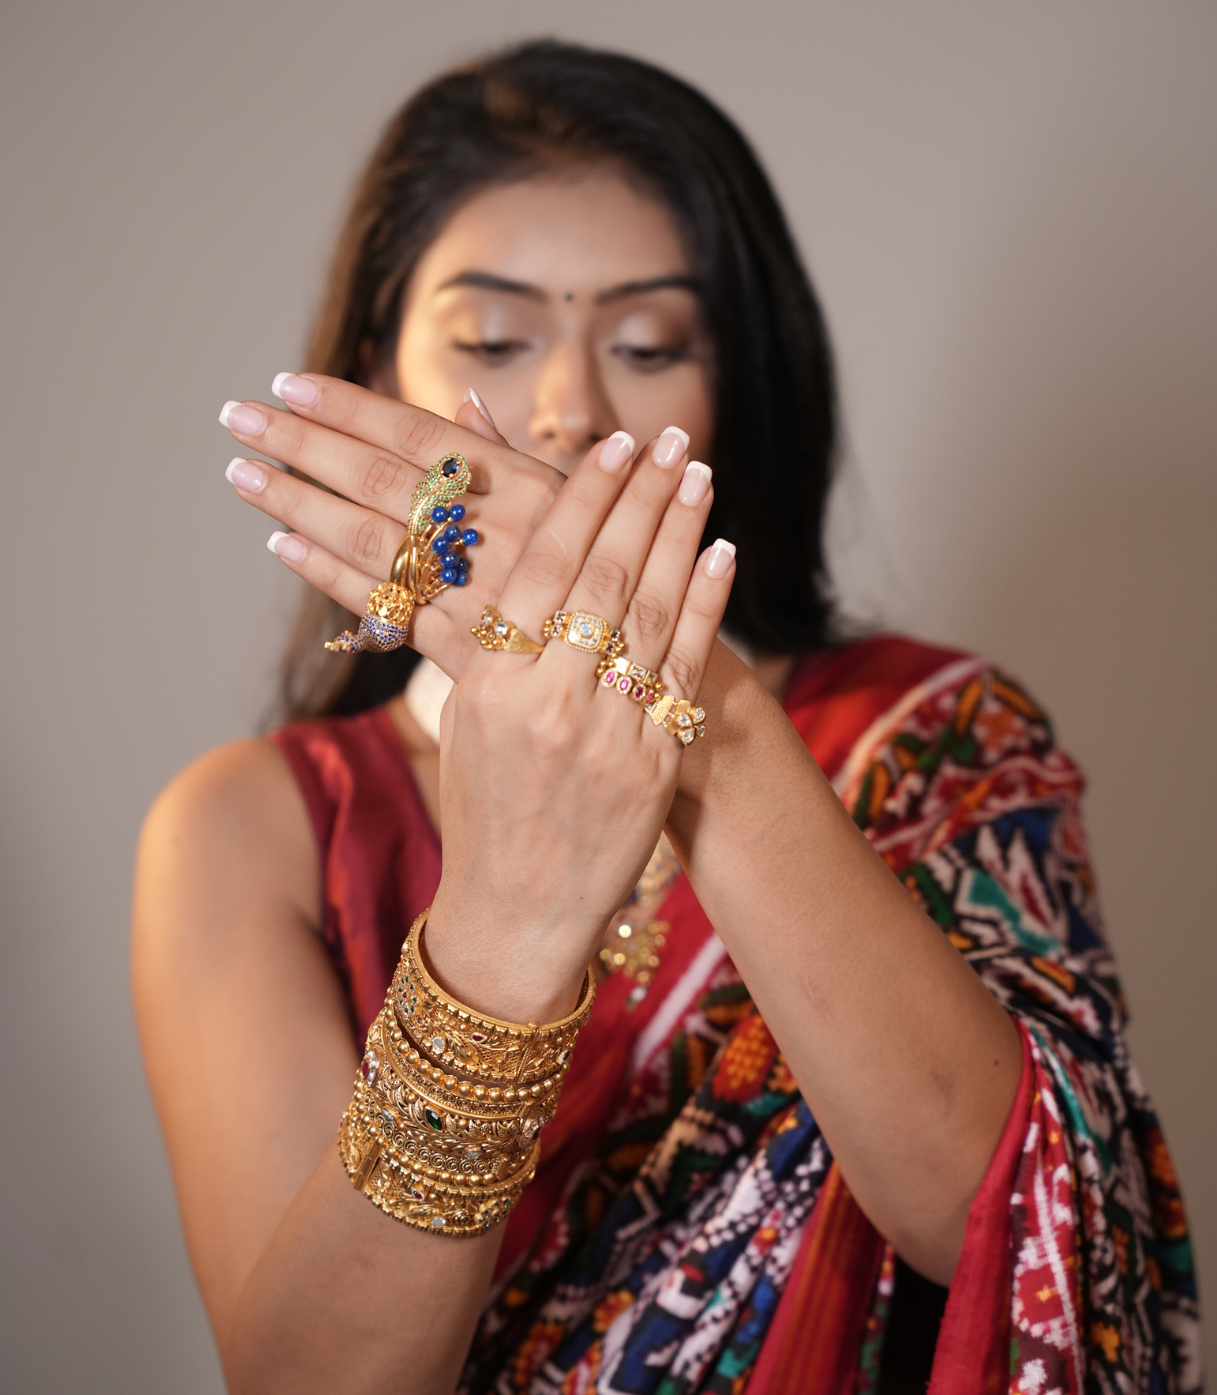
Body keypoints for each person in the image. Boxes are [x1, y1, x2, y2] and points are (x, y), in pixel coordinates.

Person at [132, 40, 1200, 1395]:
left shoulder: (937, 739)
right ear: (369, 378)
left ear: (733, 392)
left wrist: (703, 722)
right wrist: (503, 926)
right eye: (492, 340)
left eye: (647, 345)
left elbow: (1015, 1227)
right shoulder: (253, 829)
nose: (570, 408)